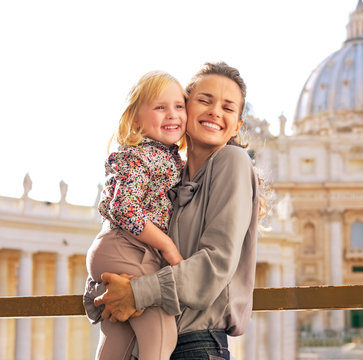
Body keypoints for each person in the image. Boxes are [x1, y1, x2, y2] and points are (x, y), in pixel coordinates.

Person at [92, 62, 260, 360]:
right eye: (204, 101)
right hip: (149, 339)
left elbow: (214, 265)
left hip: (196, 344)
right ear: (187, 108)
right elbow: (128, 246)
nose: (215, 112)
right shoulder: (168, 175)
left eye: (228, 107)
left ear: (237, 126)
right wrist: (103, 293)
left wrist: (135, 293)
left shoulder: (232, 160)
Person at [84, 70, 187, 360]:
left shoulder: (163, 155)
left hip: (116, 247)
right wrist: (167, 245)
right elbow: (126, 208)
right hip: (127, 248)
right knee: (161, 330)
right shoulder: (141, 153)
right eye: (160, 107)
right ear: (135, 119)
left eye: (179, 106)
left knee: (119, 338)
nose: (173, 114)